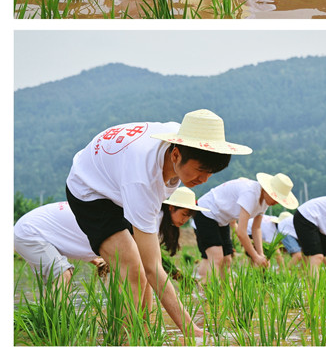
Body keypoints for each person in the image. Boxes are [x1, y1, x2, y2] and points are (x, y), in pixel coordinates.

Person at [65, 109, 251, 341]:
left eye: (210, 173)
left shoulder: (183, 139)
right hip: (89, 189)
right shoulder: (142, 179)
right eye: (201, 170)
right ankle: (126, 341)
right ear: (176, 155)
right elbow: (153, 267)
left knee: (140, 274)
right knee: (132, 269)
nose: (204, 180)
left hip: (116, 180)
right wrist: (190, 330)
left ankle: (144, 334)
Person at [14, 186, 205, 287]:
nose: (185, 220)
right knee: (63, 275)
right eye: (184, 214)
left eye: (189, 217)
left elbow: (79, 234)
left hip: (39, 230)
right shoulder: (148, 217)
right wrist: (180, 277)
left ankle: (51, 326)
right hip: (31, 231)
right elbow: (151, 261)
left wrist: (96, 260)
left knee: (62, 278)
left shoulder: (151, 218)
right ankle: (54, 330)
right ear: (171, 208)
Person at [194, 173, 298, 281]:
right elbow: (241, 232)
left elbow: (256, 228)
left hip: (222, 219)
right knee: (216, 258)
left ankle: (226, 290)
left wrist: (261, 254)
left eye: (279, 199)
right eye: (275, 197)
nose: (276, 202)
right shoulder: (250, 194)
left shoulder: (265, 201)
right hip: (206, 212)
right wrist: (255, 257)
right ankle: (205, 289)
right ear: (267, 190)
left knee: (227, 260)